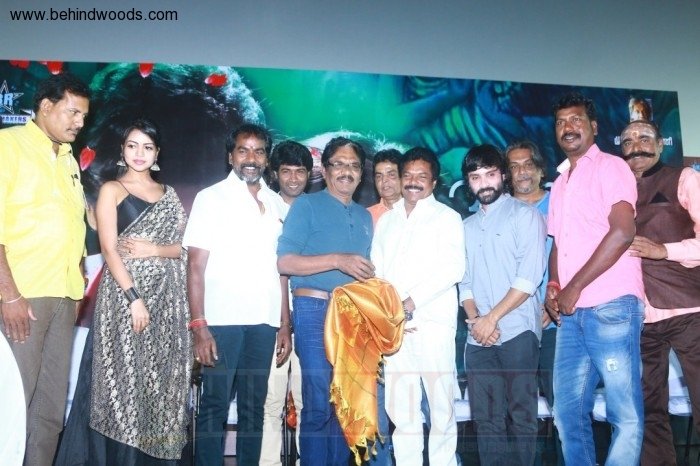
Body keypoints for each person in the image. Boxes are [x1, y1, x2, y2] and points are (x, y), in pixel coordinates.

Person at [545, 92, 644, 465]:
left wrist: (573, 286)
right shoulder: (560, 182)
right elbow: (558, 244)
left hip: (611, 304)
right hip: (572, 314)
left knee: (624, 413)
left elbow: (623, 232)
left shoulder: (611, 167)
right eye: (561, 122)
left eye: (576, 120)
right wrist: (554, 285)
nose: (568, 127)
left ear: (594, 127)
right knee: (566, 413)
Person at [184, 123, 292, 466]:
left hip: (264, 322)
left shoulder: (277, 204)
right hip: (222, 320)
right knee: (214, 405)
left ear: (267, 158)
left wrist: (284, 324)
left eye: (259, 151)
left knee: (253, 407)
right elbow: (195, 266)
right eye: (243, 150)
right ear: (230, 156)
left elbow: (282, 270)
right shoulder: (210, 198)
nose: (251, 158)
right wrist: (199, 326)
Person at [0, 72, 90, 466]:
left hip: (64, 296)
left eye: (84, 116)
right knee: (12, 404)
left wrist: (79, 281)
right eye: (73, 112)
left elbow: (74, 225)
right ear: (46, 106)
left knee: (50, 410)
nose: (79, 122)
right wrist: (10, 296)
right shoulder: (8, 146)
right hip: (23, 296)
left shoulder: (69, 159)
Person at [277, 136, 374, 466]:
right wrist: (337, 260)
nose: (347, 171)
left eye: (354, 166)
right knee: (319, 400)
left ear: (361, 173)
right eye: (339, 164)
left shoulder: (364, 216)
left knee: (345, 404)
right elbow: (285, 262)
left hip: (353, 316)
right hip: (314, 310)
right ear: (326, 169)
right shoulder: (306, 205)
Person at [372, 147, 465, 466]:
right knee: (402, 412)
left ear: (434, 182)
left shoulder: (447, 218)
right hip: (396, 330)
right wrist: (387, 311)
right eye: (407, 175)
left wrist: (409, 303)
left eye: (421, 176)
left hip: (433, 326)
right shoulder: (387, 221)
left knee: (441, 409)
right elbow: (377, 271)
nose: (413, 182)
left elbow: (453, 268)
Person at [460, 144, 546, 465]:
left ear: (503, 176)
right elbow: (464, 283)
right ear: (468, 182)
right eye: (476, 177)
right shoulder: (465, 227)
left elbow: (529, 277)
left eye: (490, 174)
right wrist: (477, 321)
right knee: (486, 420)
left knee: (522, 416)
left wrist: (491, 318)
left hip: (518, 332)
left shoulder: (526, 216)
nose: (484, 183)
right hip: (478, 338)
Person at [620, 120, 700, 466]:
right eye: (627, 140)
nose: (635, 145)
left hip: (688, 311)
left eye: (644, 137)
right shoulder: (615, 190)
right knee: (649, 407)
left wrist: (664, 250)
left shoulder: (684, 178)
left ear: (660, 143)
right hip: (638, 317)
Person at [505, 140, 561, 464]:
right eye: (514, 166)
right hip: (516, 326)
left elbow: (576, 254)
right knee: (519, 411)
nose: (522, 172)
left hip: (556, 323)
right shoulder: (501, 211)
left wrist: (553, 303)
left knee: (564, 407)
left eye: (528, 164)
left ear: (540, 170)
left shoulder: (560, 204)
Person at [260, 140, 312, 466]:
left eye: (300, 171)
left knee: (309, 400)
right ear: (275, 174)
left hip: (311, 317)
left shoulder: (318, 210)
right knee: (271, 400)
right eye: (286, 171)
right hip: (271, 317)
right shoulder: (263, 208)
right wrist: (282, 322)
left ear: (310, 174)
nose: (293, 178)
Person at [367, 148, 402, 226]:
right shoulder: (367, 216)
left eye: (391, 175)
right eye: (379, 176)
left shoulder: (417, 212)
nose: (384, 180)